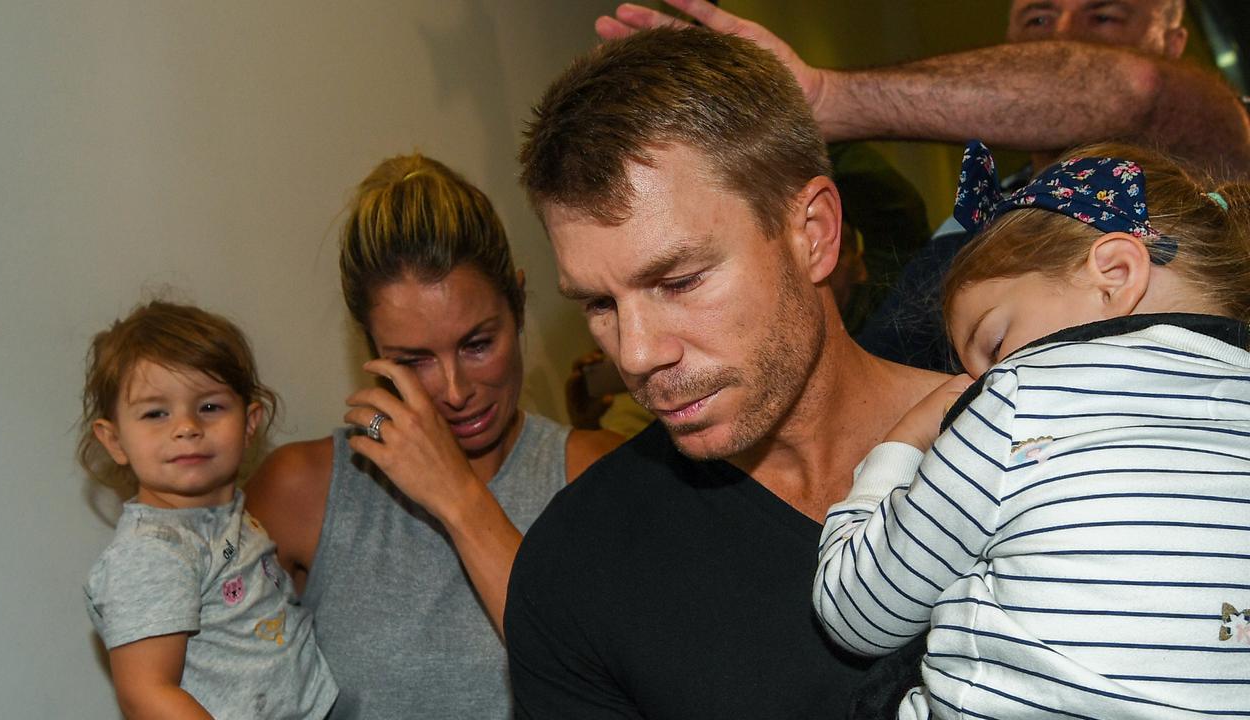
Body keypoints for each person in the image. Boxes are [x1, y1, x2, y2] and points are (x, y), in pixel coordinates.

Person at [504, 27, 947, 719]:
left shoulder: (1039, 450)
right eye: (599, 303)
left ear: (815, 233)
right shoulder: (576, 573)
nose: (637, 354)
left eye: (678, 281)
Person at [814, 140, 1250, 719]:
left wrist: (902, 443)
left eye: (994, 345)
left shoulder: (1019, 399)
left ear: (1116, 275)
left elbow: (859, 612)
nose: (977, 382)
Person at [596, 0, 1250, 371]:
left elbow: (1135, 91)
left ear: (1171, 39)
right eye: (1039, 20)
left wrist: (826, 98)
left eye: (1105, 17)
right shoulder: (970, 225)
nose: (1067, 38)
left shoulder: (1206, 169)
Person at [243, 154, 620, 720]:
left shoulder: (597, 476)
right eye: (413, 359)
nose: (454, 389)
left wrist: (459, 498)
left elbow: (599, 690)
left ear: (517, 304)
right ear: (370, 348)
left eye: (477, 344)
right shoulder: (302, 491)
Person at [80, 301, 337, 719]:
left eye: (210, 407)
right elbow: (145, 692)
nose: (187, 427)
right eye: (155, 413)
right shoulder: (154, 552)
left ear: (250, 423)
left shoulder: (227, 515)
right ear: (114, 441)